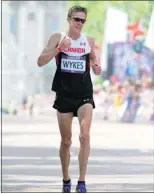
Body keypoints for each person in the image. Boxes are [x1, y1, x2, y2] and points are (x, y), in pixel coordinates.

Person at [37, 5, 101, 193]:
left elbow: (94, 61)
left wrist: (97, 67)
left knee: (85, 135)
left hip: (84, 95)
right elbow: (40, 61)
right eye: (76, 20)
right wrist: (58, 49)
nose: (79, 24)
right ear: (69, 20)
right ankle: (66, 179)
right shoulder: (58, 38)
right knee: (66, 141)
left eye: (83, 20)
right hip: (64, 95)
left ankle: (82, 182)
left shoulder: (88, 40)